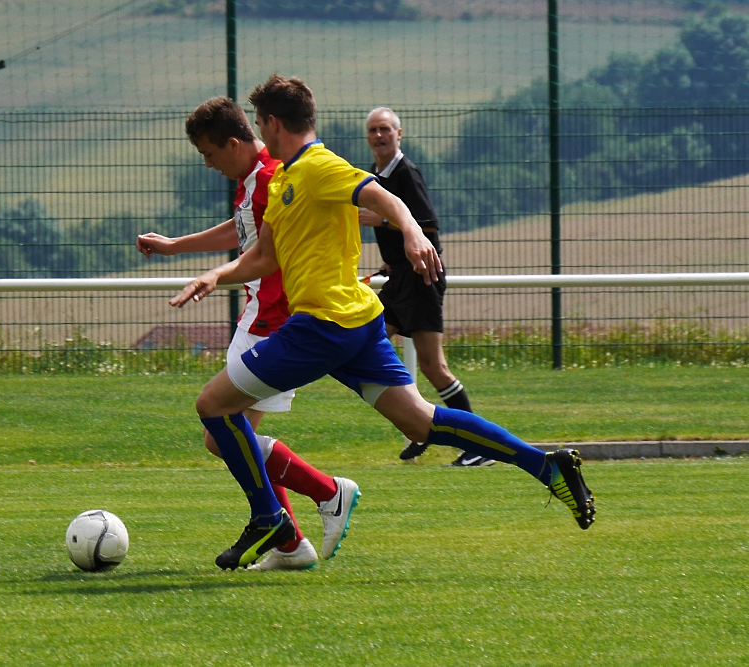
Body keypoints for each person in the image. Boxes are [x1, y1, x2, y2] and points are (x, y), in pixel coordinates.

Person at [169, 74, 596, 570]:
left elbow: (385, 199)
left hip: (321, 328)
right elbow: (264, 257)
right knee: (421, 421)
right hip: (359, 327)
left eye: (262, 123)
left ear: (273, 123)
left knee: (214, 407)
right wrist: (214, 275)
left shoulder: (319, 166)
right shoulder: (284, 178)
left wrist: (414, 235)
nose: (261, 133)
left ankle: (270, 517)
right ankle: (546, 465)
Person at [136, 96, 359, 571]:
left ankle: (326, 493)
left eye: (210, 154)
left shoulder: (274, 176)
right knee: (227, 434)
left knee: (224, 434)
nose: (208, 164)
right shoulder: (254, 178)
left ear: (234, 143)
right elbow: (245, 234)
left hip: (277, 318)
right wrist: (177, 246)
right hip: (258, 314)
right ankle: (291, 543)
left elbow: (314, 226)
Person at [358, 107, 493, 467]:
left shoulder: (406, 173)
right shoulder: (376, 175)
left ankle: (478, 446)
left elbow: (428, 227)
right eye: (373, 130)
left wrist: (381, 220)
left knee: (434, 367)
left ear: (399, 135)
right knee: (368, 345)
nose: (379, 135)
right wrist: (390, 260)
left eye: (385, 129)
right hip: (402, 277)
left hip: (422, 278)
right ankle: (421, 427)